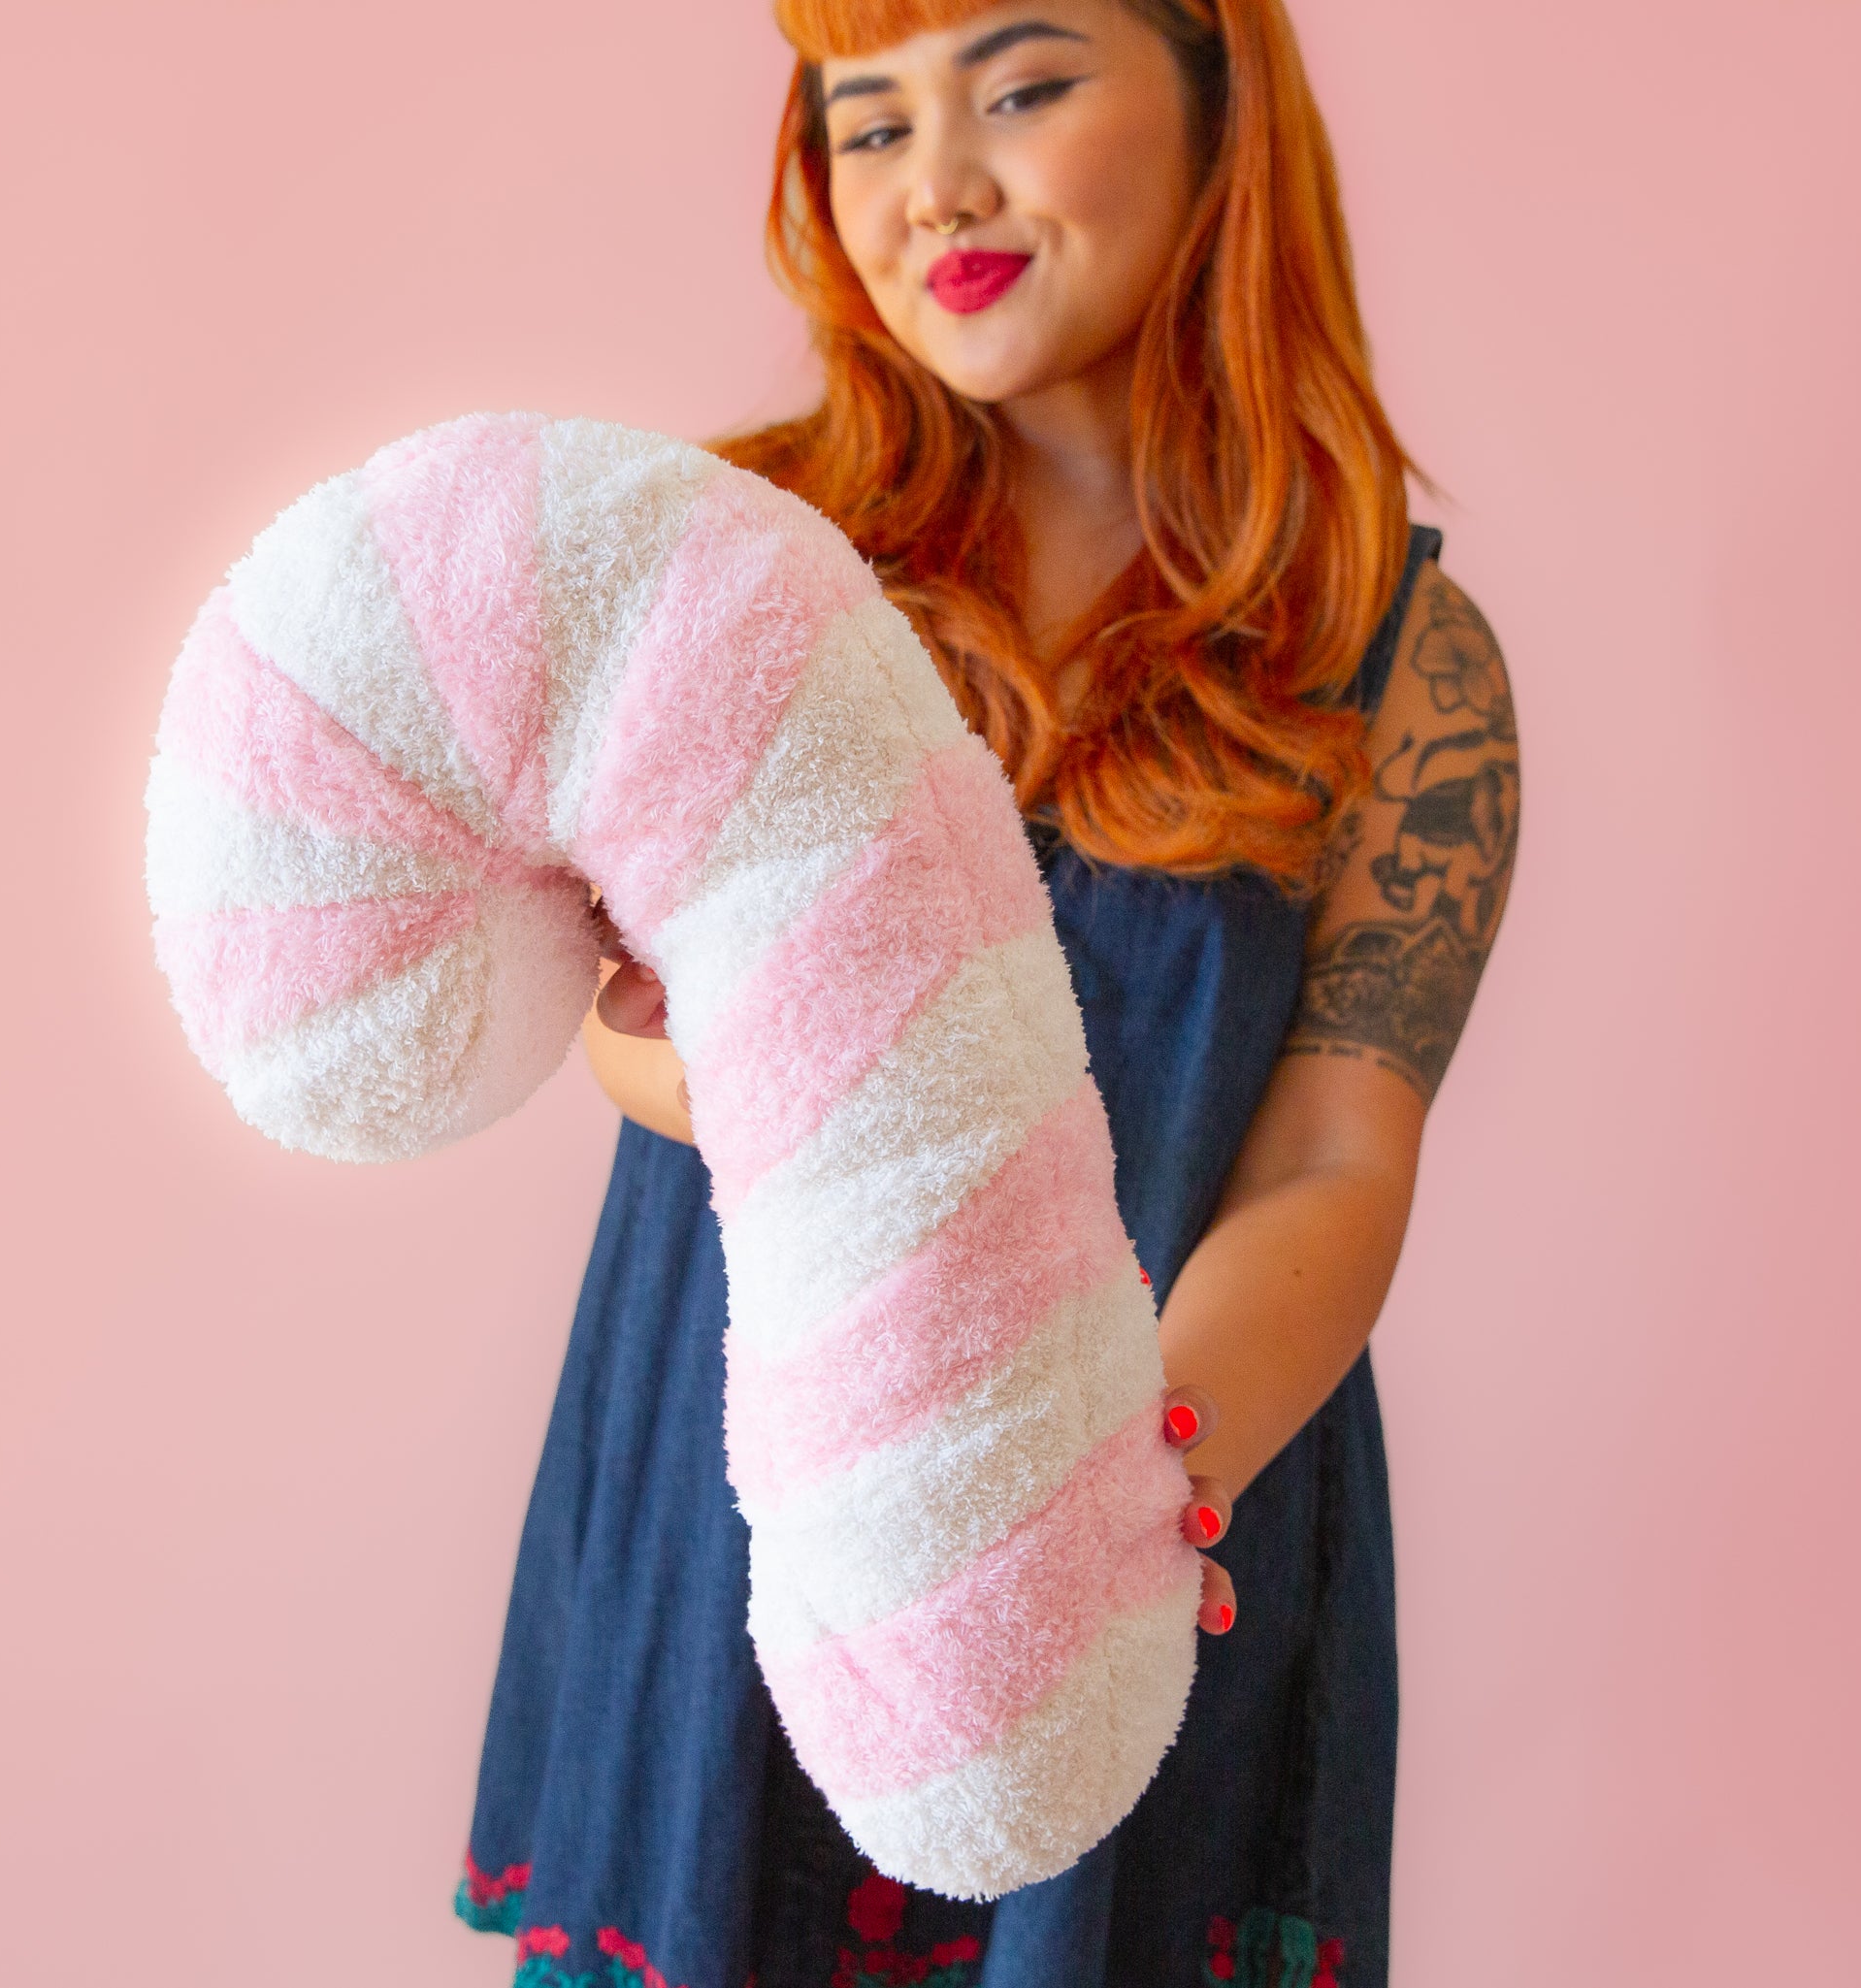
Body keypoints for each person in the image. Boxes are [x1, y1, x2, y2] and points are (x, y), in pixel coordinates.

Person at [457, 4, 1519, 1984]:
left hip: (1161, 1491)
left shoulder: (1391, 654)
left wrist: (1113, 1486)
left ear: (1220, 106)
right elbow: (598, 1007)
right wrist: (739, 1069)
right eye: (867, 124)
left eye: (1020, 88)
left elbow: (1333, 1146)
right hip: (752, 1496)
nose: (935, 184)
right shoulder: (731, 558)